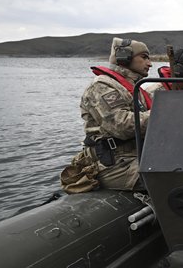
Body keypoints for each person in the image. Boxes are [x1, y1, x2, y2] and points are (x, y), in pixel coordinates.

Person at [60, 37, 153, 192]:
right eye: (144, 57)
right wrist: (163, 116)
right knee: (171, 178)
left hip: (134, 157)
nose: (149, 63)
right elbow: (122, 126)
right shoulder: (102, 87)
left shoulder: (134, 88)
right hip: (113, 164)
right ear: (125, 57)